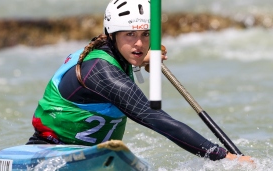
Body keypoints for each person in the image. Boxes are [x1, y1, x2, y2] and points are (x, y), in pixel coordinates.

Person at [26, 0, 252, 162]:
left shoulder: (116, 53)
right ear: (112, 35)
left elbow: (131, 52)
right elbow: (154, 118)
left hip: (95, 158)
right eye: (130, 35)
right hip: (48, 153)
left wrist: (140, 60)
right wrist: (222, 155)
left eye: (146, 35)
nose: (139, 43)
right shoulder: (100, 71)